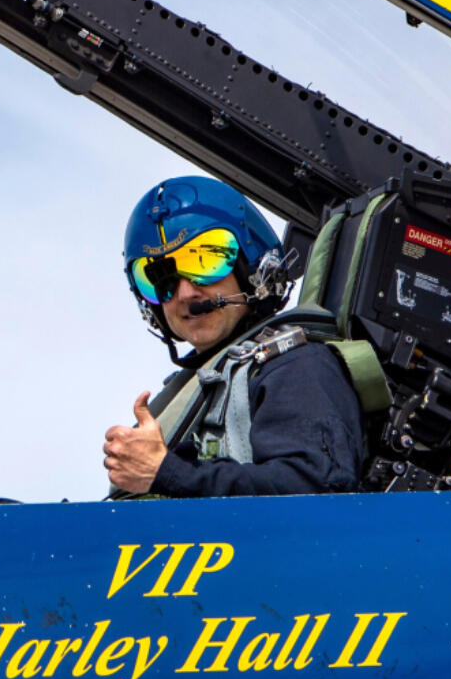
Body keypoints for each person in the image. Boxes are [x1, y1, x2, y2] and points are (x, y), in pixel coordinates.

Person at [103, 176, 365, 497]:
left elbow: (317, 487)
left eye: (205, 260)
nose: (185, 292)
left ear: (251, 266)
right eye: (160, 278)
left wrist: (169, 473)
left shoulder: (297, 365)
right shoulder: (192, 393)